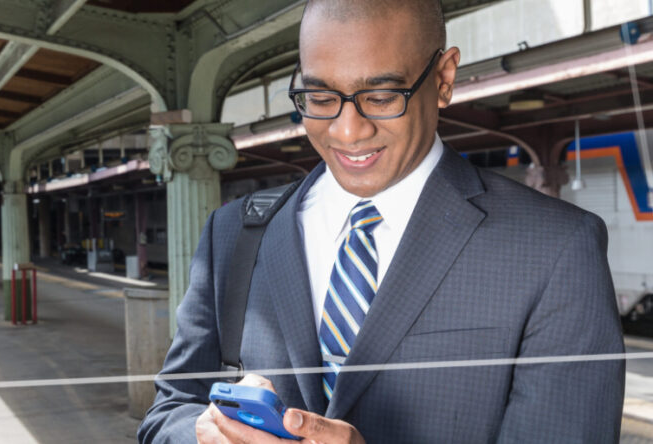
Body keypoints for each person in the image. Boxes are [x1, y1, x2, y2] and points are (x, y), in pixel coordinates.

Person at [138, 1, 624, 443]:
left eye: (383, 95)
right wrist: (201, 435)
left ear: (444, 78)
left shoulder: (555, 248)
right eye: (320, 97)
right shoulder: (233, 235)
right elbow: (169, 411)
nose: (348, 131)